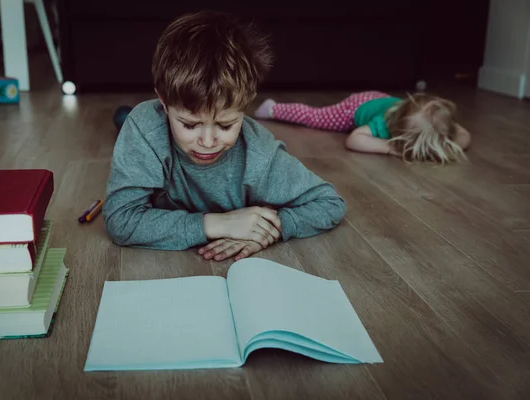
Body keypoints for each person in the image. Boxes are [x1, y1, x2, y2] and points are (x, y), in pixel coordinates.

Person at [102, 11, 346, 262]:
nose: (208, 142)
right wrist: (218, 224)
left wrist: (266, 229)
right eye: (190, 124)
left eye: (225, 125)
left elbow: (329, 203)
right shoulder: (147, 128)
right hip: (146, 125)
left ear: (244, 106)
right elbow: (121, 220)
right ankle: (125, 121)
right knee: (131, 121)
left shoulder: (259, 154)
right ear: (163, 103)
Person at [254, 91, 471, 163]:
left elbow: (464, 136)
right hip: (356, 107)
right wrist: (390, 147)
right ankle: (273, 109)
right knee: (316, 117)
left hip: (385, 100)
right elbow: (354, 139)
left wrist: (445, 143)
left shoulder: (439, 124)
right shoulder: (385, 124)